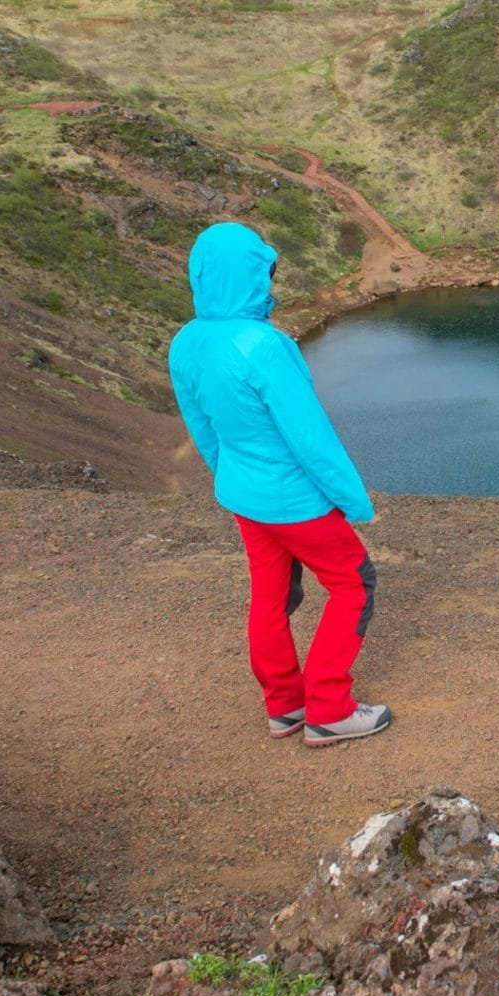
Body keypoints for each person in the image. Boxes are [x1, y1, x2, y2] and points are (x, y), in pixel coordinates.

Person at [169, 222, 391, 747]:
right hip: (296, 502)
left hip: (245, 498)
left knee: (269, 597)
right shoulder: (265, 345)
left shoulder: (188, 342)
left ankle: (285, 706)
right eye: (265, 270)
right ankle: (330, 708)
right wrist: (352, 500)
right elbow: (310, 438)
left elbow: (204, 428)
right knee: (353, 584)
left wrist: (230, 477)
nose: (271, 280)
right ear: (249, 274)